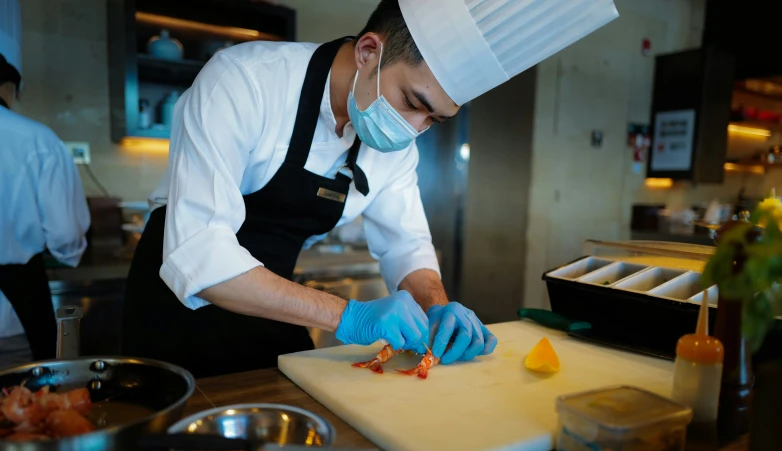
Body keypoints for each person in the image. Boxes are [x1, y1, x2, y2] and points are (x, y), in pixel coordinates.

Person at [122, 0, 618, 378]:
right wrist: (351, 316)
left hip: (268, 307)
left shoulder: (398, 145)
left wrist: (436, 305)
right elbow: (199, 254)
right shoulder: (245, 81)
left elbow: (406, 247)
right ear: (367, 52)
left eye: (434, 119)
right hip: (175, 313)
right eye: (411, 101)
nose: (413, 128)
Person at [0, 0, 91, 365]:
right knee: (27, 410)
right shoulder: (36, 139)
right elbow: (66, 234)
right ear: (9, 87)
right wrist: (69, 255)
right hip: (14, 310)